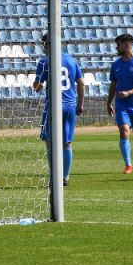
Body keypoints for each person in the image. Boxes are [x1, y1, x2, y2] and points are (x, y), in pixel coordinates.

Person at [32, 34, 85, 187]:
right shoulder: (71, 60)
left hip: (53, 105)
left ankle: (54, 176)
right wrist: (80, 105)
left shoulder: (45, 61)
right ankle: (65, 176)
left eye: (44, 44)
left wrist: (38, 86)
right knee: (66, 143)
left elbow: (37, 85)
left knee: (50, 142)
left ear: (47, 44)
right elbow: (81, 83)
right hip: (70, 104)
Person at [106, 33, 133, 174]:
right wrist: (108, 102)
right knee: (124, 131)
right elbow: (113, 84)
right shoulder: (116, 65)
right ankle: (128, 165)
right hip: (121, 105)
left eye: (118, 44)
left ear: (127, 44)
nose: (116, 47)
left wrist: (129, 92)